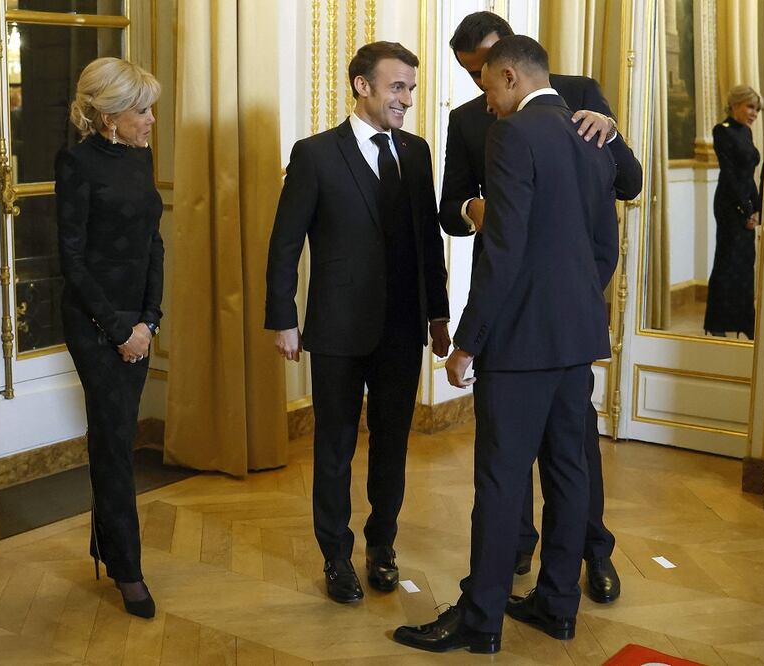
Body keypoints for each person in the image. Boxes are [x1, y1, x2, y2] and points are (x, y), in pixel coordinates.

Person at [394, 35, 619, 654]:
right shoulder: (592, 134)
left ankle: (481, 618)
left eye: (489, 86)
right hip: (576, 337)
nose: (486, 101)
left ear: (512, 77)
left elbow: (503, 246)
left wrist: (469, 341)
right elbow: (604, 245)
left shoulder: (513, 134)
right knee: (569, 473)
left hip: (520, 343)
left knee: (499, 479)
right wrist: (571, 302)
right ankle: (557, 605)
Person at [440, 10, 641, 603]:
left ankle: (588, 556)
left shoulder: (579, 101)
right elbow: (453, 208)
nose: (480, 86)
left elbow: (626, 187)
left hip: (534, 316)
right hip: (547, 317)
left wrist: (562, 291)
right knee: (545, 462)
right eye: (469, 74)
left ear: (510, 62)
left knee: (557, 459)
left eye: (485, 70)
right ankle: (540, 583)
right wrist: (476, 211)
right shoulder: (468, 120)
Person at [265, 41, 450, 604]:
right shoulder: (315, 154)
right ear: (362, 86)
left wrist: (438, 314)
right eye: (397, 87)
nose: (407, 99)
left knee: (392, 445)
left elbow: (427, 242)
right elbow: (285, 243)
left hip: (402, 330)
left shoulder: (416, 152)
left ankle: (382, 546)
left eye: (411, 88)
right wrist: (282, 317)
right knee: (335, 448)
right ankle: (335, 556)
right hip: (338, 329)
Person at [56, 57, 163, 619]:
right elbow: (71, 260)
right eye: (142, 110)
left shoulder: (140, 157)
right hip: (95, 323)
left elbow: (153, 244)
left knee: (114, 435)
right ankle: (128, 570)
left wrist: (150, 320)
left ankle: (109, 547)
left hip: (137, 323)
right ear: (109, 117)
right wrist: (120, 329)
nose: (151, 120)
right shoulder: (76, 163)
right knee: (115, 441)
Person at [704, 85, 762, 340]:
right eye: (750, 107)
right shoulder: (722, 131)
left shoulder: (746, 132)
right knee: (727, 262)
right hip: (729, 205)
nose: (754, 114)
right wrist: (745, 208)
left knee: (746, 263)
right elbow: (730, 175)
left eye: (757, 109)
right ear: (736, 104)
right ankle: (717, 322)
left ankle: (745, 321)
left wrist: (756, 208)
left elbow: (749, 176)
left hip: (745, 201)